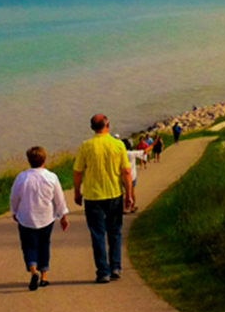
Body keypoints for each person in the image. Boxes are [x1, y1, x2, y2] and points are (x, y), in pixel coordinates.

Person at [73, 114, 134, 283]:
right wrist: (128, 194)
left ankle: (102, 271)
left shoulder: (86, 146)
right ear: (107, 124)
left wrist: (77, 192)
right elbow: (126, 172)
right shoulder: (118, 145)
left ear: (92, 127)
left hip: (93, 196)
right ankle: (115, 266)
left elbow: (78, 172)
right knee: (114, 231)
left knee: (97, 234)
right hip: (114, 193)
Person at [10, 146, 70, 291]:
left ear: (29, 160)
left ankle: (33, 269)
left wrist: (14, 212)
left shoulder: (22, 177)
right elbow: (59, 199)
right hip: (46, 217)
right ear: (44, 159)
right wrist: (63, 215)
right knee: (44, 244)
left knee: (29, 246)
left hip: (26, 217)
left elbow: (14, 197)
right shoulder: (51, 177)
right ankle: (43, 277)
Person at [123, 139, 144, 213]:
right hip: (132, 175)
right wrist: (153, 144)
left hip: (122, 176)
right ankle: (132, 207)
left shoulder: (119, 154)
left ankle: (124, 208)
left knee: (124, 192)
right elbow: (143, 152)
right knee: (132, 191)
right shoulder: (132, 153)